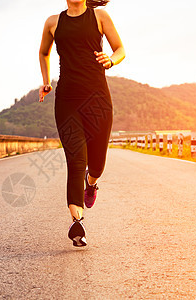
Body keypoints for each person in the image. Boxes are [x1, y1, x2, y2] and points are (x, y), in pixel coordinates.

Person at [38, 0, 125, 247]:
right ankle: (77, 222)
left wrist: (111, 60)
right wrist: (46, 81)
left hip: (97, 100)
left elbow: (120, 49)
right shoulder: (53, 22)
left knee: (96, 164)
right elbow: (44, 52)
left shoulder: (100, 17)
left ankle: (92, 182)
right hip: (67, 101)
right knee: (76, 160)